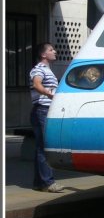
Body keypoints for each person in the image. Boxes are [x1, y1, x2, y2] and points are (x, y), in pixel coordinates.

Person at [29, 42, 65, 192]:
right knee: (45, 147)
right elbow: (37, 84)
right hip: (42, 110)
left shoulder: (47, 70)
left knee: (40, 147)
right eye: (51, 50)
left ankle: (40, 183)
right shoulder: (39, 69)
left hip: (42, 111)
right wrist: (48, 93)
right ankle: (48, 182)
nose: (55, 51)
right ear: (44, 55)